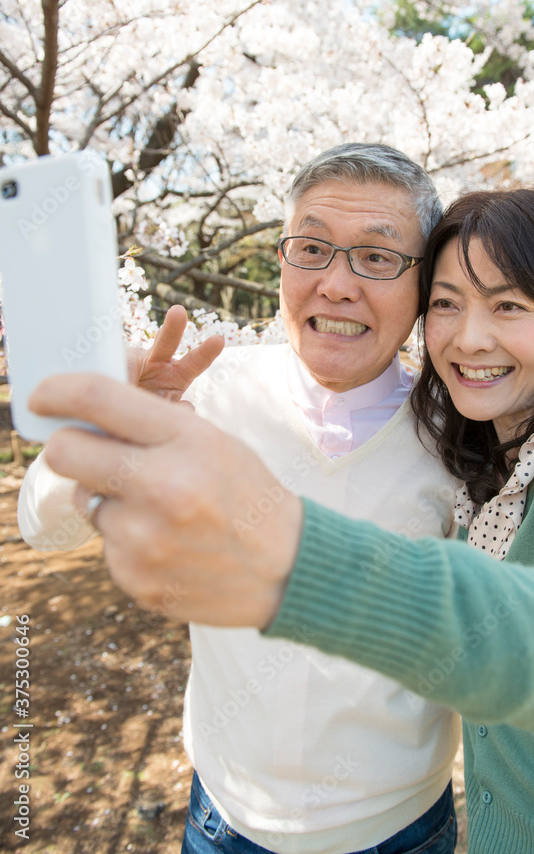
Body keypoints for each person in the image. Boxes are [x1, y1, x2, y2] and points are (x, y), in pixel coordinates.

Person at [18, 144, 463, 854]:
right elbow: (41, 530)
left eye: (377, 258)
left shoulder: (460, 440)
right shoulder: (205, 393)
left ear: (423, 282)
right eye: (311, 248)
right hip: (227, 817)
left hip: (399, 824)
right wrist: (108, 436)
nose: (337, 284)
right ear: (282, 260)